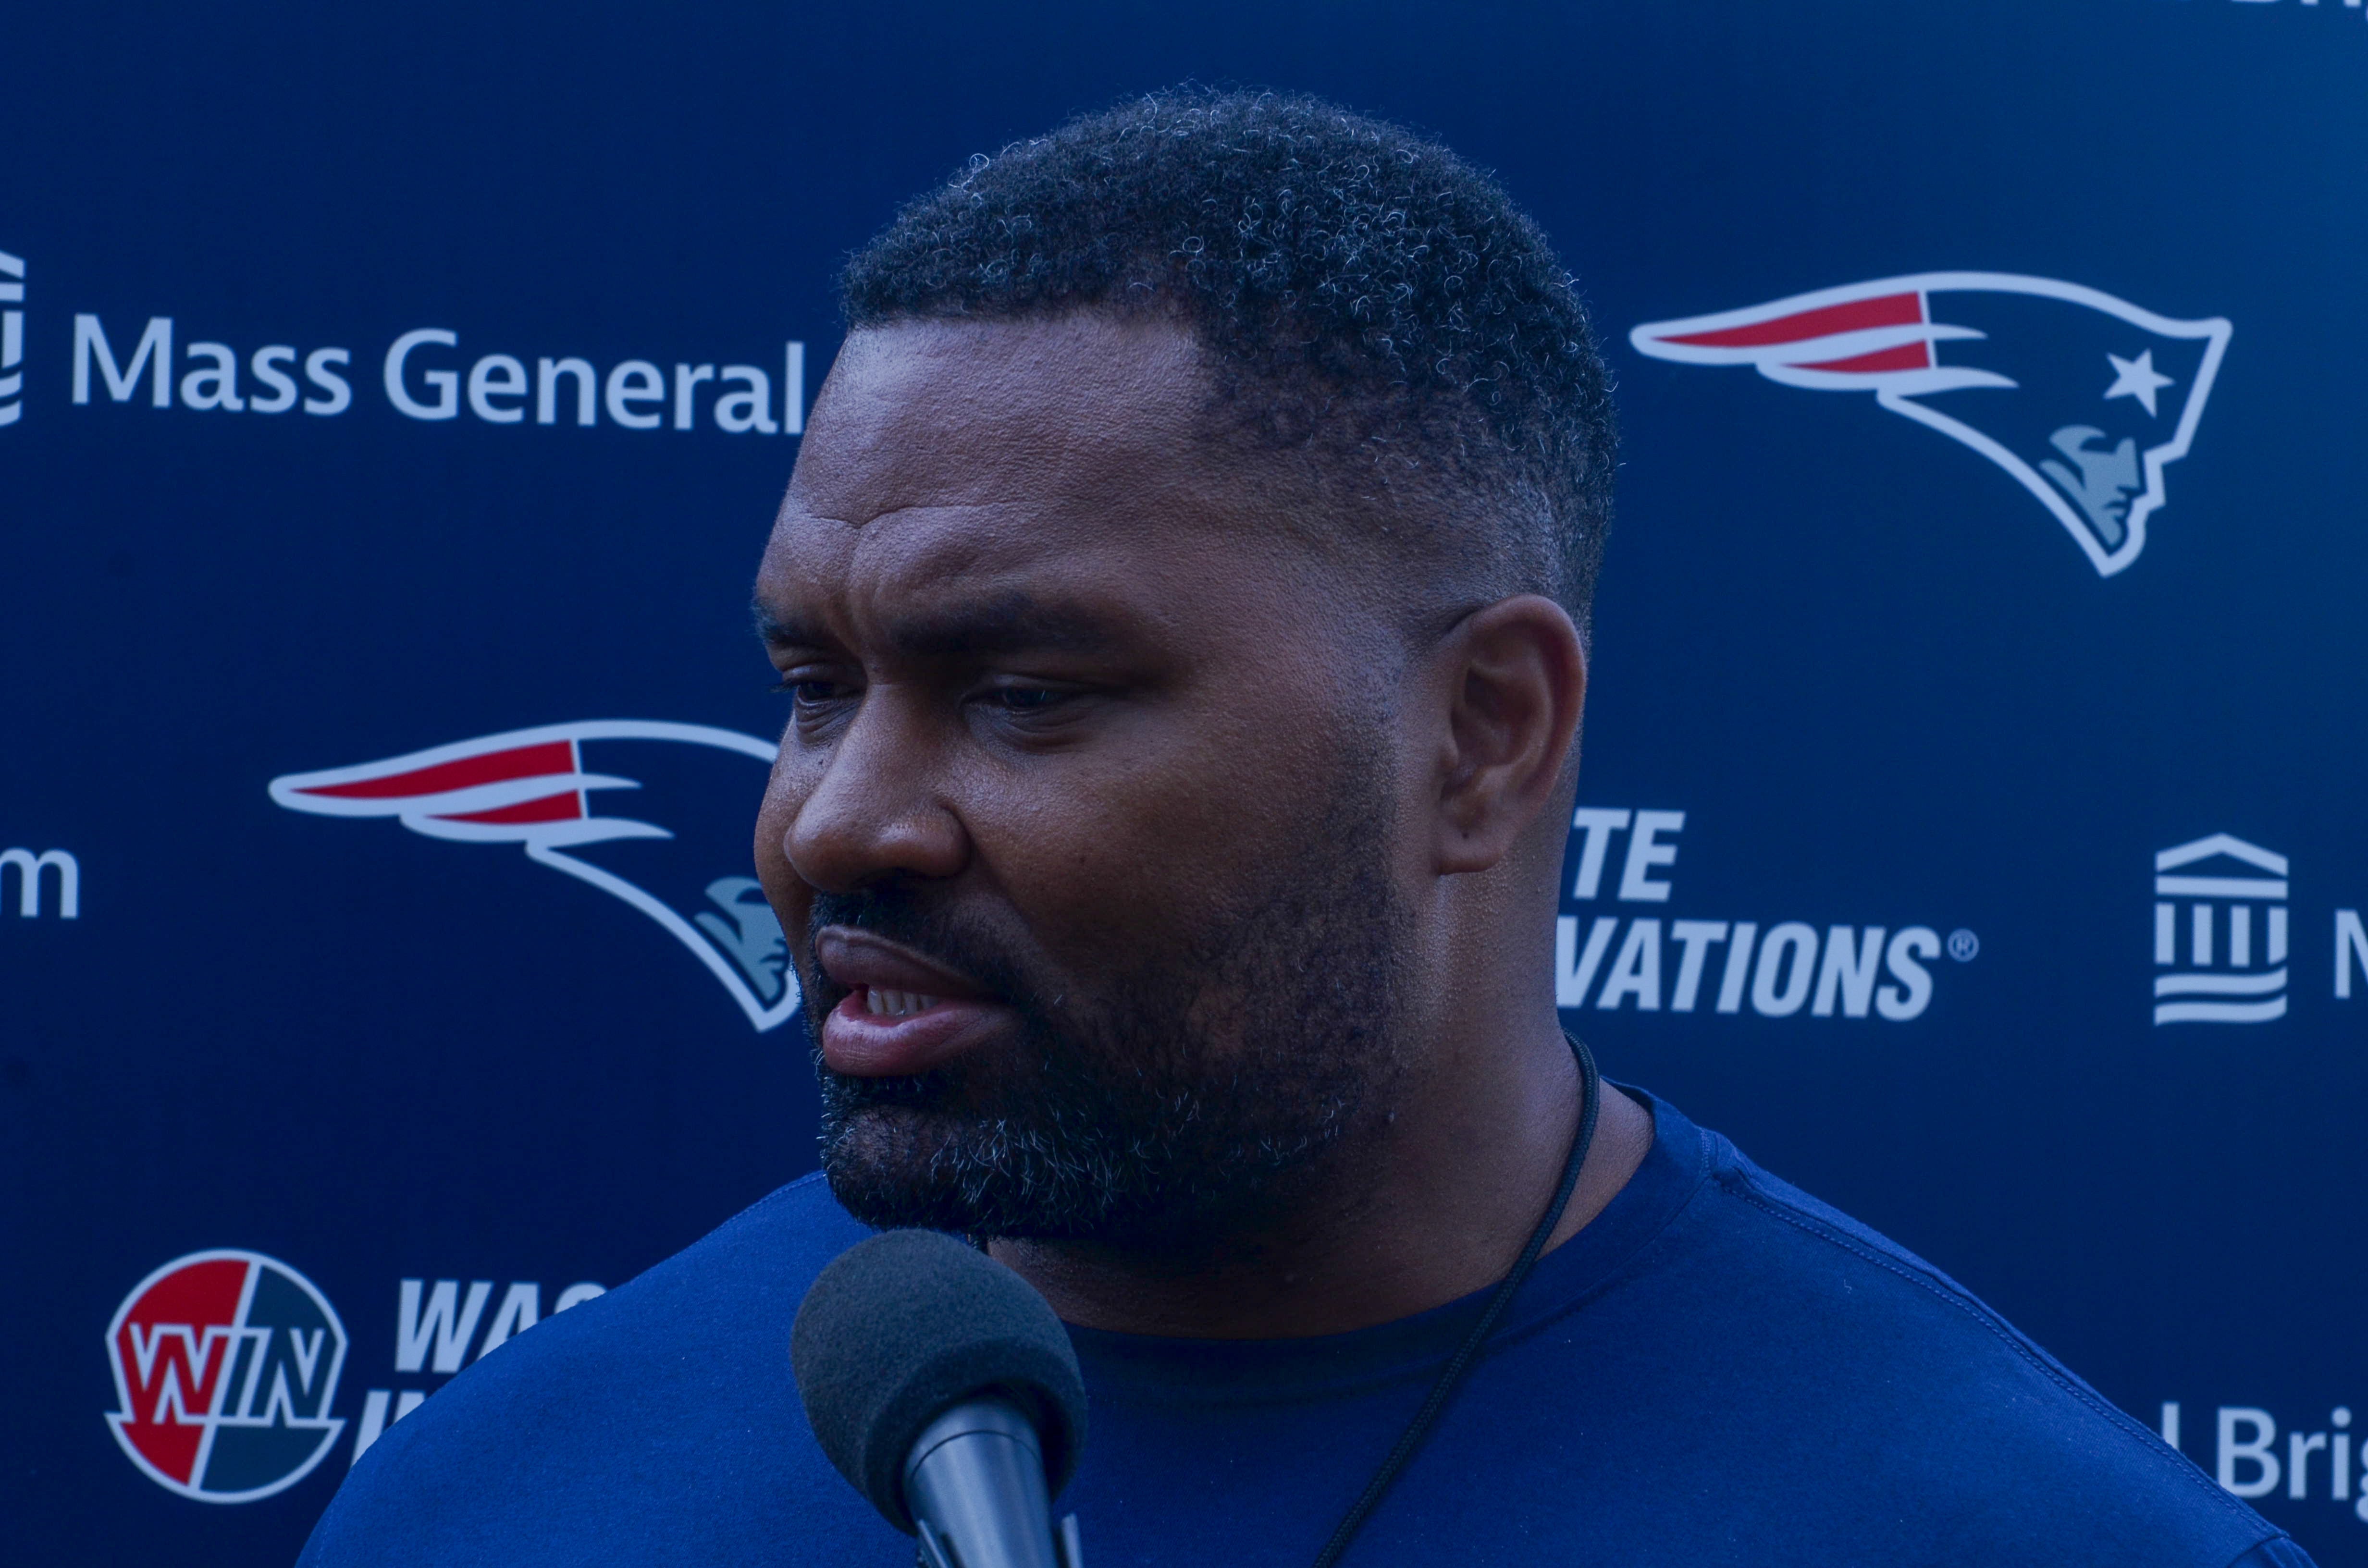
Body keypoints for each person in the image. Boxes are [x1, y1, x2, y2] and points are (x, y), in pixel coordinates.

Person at [300, 89, 2307, 1568]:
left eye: (1025, 692)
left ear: (1479, 736)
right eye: (813, 684)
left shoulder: (2021, 1534)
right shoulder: (496, 1505)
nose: (837, 822)